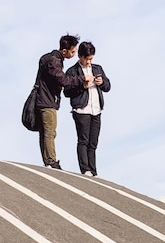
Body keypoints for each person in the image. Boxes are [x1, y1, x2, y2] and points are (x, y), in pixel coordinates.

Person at [34, 34, 94, 169]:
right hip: (47, 100)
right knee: (50, 131)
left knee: (46, 132)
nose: (74, 54)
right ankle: (51, 161)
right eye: (73, 51)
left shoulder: (51, 59)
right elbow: (63, 80)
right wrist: (81, 79)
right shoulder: (53, 61)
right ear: (64, 51)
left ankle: (48, 160)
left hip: (45, 99)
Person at [63, 41, 111, 176]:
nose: (89, 62)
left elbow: (108, 86)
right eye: (87, 59)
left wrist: (102, 83)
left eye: (91, 59)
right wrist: (82, 86)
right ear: (80, 56)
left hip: (97, 109)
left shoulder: (98, 68)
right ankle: (85, 170)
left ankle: (93, 170)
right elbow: (67, 92)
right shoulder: (72, 71)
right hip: (81, 110)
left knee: (93, 142)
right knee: (83, 140)